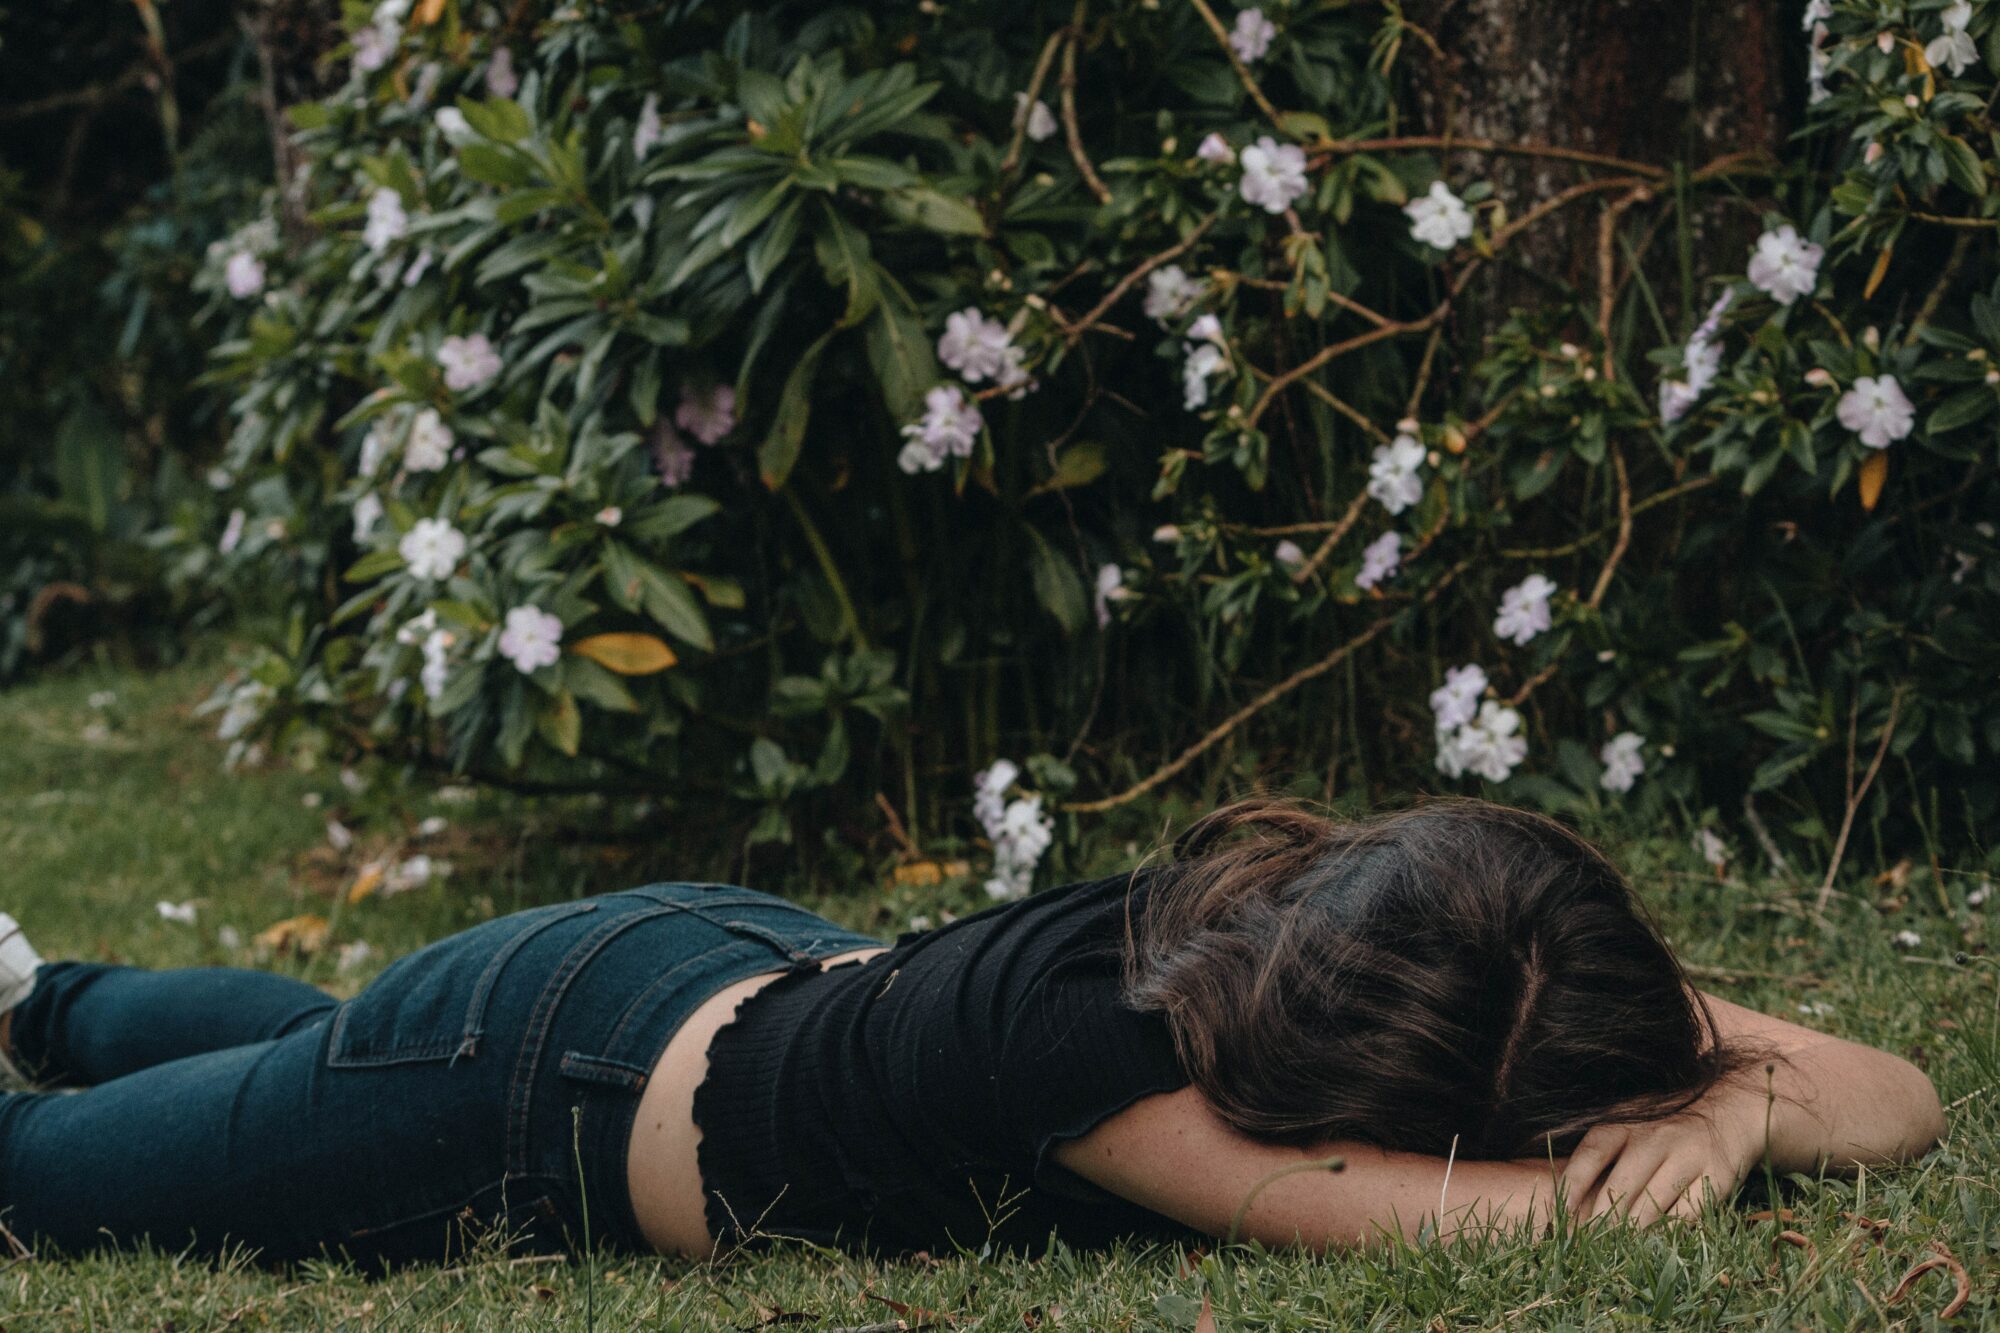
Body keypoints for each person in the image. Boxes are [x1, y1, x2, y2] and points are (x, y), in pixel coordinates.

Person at [0, 797, 1943, 1265]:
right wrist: (1706, 1121)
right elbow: (1512, 1222)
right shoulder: (1100, 1077)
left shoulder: (1387, 929)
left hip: (710, 959)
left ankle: (34, 993)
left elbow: (1904, 1095)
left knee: (316, 1050)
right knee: (50, 1189)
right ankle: (38, 1020)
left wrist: (1749, 1101)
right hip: (529, 1081)